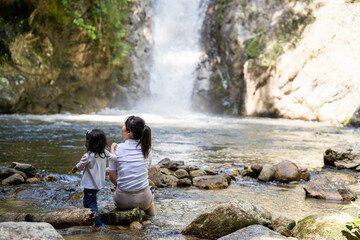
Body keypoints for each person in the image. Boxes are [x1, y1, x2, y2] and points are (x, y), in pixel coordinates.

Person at [109, 115, 156, 216]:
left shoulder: (116, 149)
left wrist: (124, 187)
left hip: (122, 201)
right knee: (149, 197)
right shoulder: (147, 150)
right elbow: (146, 174)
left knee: (116, 189)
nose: (123, 127)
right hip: (144, 200)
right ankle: (152, 222)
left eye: (124, 125)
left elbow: (112, 177)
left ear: (129, 132)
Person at [72, 129, 117, 227]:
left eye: (86, 140)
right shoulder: (104, 153)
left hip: (90, 185)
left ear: (90, 143)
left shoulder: (87, 156)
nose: (85, 142)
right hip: (98, 184)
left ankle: (98, 225)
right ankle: (89, 219)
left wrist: (74, 169)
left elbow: (80, 166)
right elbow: (114, 158)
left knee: (92, 205)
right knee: (87, 201)